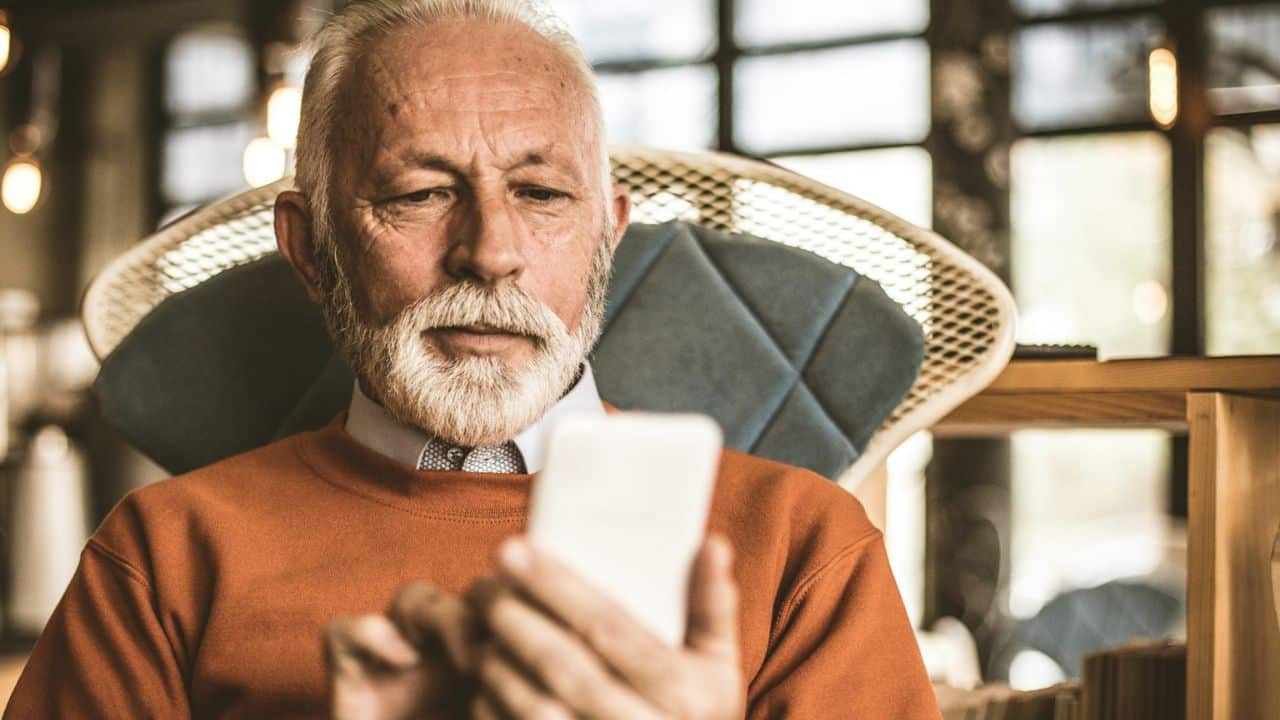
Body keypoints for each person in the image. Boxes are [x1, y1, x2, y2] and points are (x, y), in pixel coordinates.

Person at [5, 1, 940, 717]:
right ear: (308, 249)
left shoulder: (804, 549)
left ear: (607, 238)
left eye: (540, 192)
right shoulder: (160, 558)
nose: (490, 251)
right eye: (417, 194)